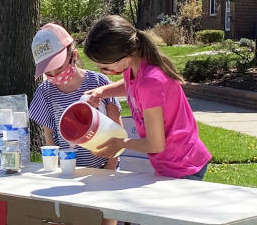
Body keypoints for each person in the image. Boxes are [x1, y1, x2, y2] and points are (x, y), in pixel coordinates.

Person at [81, 15, 211, 180]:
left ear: (125, 58)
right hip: (174, 162)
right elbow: (131, 85)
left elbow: (155, 144)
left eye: (104, 67)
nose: (102, 72)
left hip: (183, 165)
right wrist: (101, 92)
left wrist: (119, 144)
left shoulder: (150, 83)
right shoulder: (136, 66)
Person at [29, 22, 121, 225]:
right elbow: (49, 136)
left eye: (59, 68)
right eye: (48, 72)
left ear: (74, 56)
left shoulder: (99, 82)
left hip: (103, 170)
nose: (55, 76)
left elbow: (118, 132)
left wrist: (109, 170)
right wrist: (60, 169)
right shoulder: (45, 92)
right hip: (69, 173)